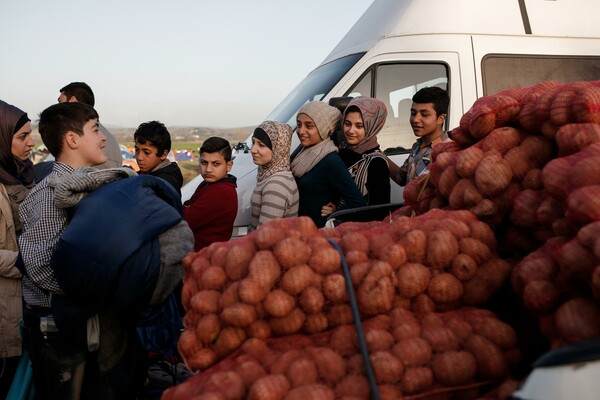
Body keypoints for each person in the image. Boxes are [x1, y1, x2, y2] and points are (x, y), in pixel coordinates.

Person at [0, 100, 35, 398]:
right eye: (22, 136)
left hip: (19, 304)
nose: (31, 142)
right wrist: (30, 261)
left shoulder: (21, 174)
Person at [290, 101, 367, 228]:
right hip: (300, 231)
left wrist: (333, 215)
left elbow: (358, 203)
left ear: (323, 128)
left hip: (317, 234)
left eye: (309, 126)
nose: (301, 131)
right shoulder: (302, 155)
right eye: (299, 125)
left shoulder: (330, 160)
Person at [183, 137, 238, 251]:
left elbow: (184, 219)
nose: (208, 169)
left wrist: (186, 208)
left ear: (229, 165)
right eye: (204, 163)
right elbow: (187, 206)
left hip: (205, 257)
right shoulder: (208, 183)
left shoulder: (221, 192)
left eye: (216, 164)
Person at [389, 86, 450, 185]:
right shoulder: (417, 146)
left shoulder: (448, 151)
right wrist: (378, 154)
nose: (415, 120)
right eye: (413, 113)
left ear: (441, 118)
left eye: (424, 115)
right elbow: (401, 178)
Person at [337, 96, 390, 206]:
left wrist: (337, 212)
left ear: (372, 127)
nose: (351, 131)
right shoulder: (340, 150)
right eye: (347, 124)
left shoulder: (376, 162)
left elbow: (378, 211)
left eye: (359, 126)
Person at [58, 82, 122, 169]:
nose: (57, 107)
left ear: (72, 101)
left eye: (60, 101)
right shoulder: (105, 134)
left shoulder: (81, 136)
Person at [249, 121, 299, 231]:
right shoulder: (268, 175)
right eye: (253, 142)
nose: (253, 150)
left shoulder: (276, 185)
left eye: (261, 145)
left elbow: (264, 237)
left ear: (278, 149)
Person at [134, 120, 183, 197]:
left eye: (147, 152)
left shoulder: (164, 185)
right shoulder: (146, 172)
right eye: (137, 150)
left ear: (163, 154)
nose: (139, 157)